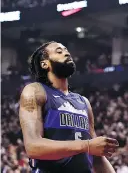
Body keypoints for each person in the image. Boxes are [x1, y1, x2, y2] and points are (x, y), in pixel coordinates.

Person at [19, 41, 118, 173]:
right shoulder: (35, 91)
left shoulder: (83, 102)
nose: (66, 53)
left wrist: (90, 146)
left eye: (66, 50)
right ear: (44, 63)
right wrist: (87, 145)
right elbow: (33, 147)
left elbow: (97, 158)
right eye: (59, 51)